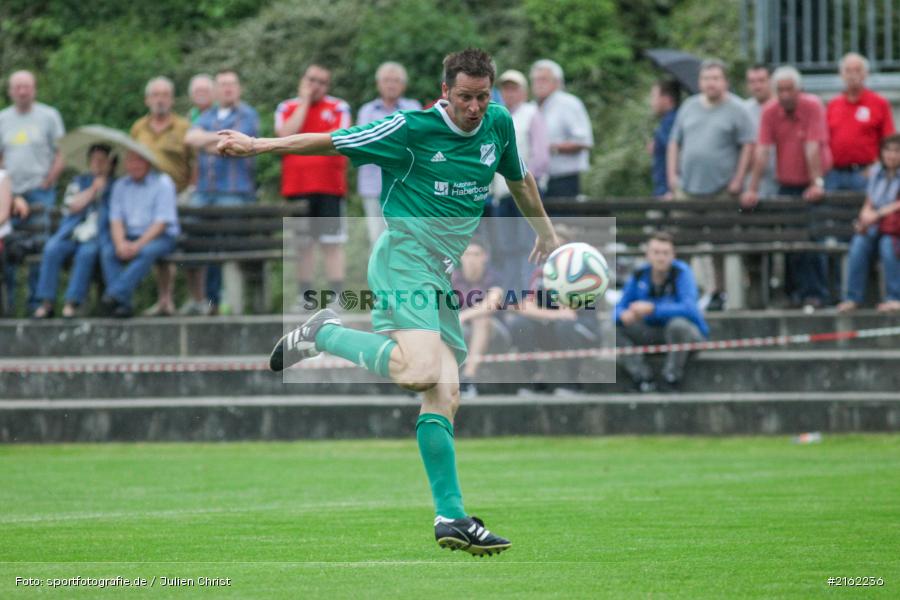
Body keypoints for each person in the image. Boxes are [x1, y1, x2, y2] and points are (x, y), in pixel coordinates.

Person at [218, 48, 559, 557]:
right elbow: (332, 141)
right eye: (464, 97)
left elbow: (520, 178)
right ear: (445, 92)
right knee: (422, 372)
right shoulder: (410, 128)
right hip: (404, 257)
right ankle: (323, 333)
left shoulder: (498, 123)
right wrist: (257, 145)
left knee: (445, 392)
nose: (473, 107)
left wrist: (547, 235)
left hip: (438, 273)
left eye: (482, 97)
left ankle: (451, 517)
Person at [667, 59, 755, 310]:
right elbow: (675, 141)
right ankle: (679, 291)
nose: (711, 83)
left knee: (720, 245)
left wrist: (739, 178)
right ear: (700, 82)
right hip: (687, 188)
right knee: (681, 244)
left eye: (716, 78)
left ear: (725, 81)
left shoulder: (738, 109)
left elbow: (749, 145)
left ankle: (721, 293)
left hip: (721, 190)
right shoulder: (689, 106)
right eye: (706, 79)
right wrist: (672, 176)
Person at [742, 66, 833, 309]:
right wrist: (752, 188)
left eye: (789, 89)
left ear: (799, 90)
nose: (784, 95)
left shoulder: (812, 105)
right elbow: (762, 151)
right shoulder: (770, 111)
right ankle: (795, 294)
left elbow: (812, 146)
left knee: (813, 239)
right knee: (790, 241)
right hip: (788, 184)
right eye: (780, 90)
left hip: (815, 181)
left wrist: (816, 183)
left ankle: (817, 293)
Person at [275, 64, 352, 308]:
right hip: (297, 188)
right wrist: (304, 103)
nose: (315, 85)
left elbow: (339, 138)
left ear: (327, 86)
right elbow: (285, 136)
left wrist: (304, 145)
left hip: (330, 187)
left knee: (332, 243)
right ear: (302, 80)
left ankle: (337, 296)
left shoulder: (338, 107)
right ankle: (305, 297)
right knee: (303, 245)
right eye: (311, 80)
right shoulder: (286, 107)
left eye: (321, 81)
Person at [184, 70, 259, 315]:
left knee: (222, 243)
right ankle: (205, 301)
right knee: (190, 236)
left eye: (232, 85)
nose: (228, 89)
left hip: (235, 193)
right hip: (205, 193)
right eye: (223, 85)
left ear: (239, 89)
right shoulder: (208, 115)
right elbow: (190, 139)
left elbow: (237, 146)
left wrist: (207, 142)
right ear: (216, 91)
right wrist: (217, 141)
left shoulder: (247, 115)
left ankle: (224, 301)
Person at [0, 70, 65, 313]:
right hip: (8, 195)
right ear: (10, 91)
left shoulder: (49, 116)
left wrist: (49, 180)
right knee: (8, 250)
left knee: (41, 248)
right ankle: (8, 308)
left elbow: (61, 152)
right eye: (17, 87)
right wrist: (7, 190)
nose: (22, 91)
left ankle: (36, 304)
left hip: (40, 191)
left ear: (34, 88)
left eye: (26, 86)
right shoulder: (3, 119)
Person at [130, 76, 194, 317]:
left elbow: (194, 161)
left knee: (180, 247)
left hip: (179, 194)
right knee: (158, 249)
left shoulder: (183, 127)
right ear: (147, 100)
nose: (160, 100)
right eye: (155, 95)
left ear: (172, 99)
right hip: (147, 197)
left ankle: (191, 299)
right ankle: (164, 299)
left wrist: (191, 189)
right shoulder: (138, 128)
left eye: (165, 95)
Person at [615, 232, 708, 392]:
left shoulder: (682, 273)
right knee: (614, 330)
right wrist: (623, 315)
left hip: (686, 336)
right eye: (656, 253)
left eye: (665, 253)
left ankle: (671, 378)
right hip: (653, 334)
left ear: (673, 255)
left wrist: (653, 309)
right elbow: (618, 308)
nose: (661, 258)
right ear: (648, 255)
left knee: (678, 326)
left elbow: (690, 309)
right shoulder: (639, 275)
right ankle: (643, 378)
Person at [33, 144, 115, 318]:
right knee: (52, 248)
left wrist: (104, 187)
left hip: (97, 237)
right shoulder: (79, 181)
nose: (98, 163)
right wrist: (93, 189)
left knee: (86, 254)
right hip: (71, 233)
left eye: (102, 160)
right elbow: (72, 206)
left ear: (109, 163)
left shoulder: (115, 186)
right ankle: (47, 302)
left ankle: (72, 303)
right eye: (94, 160)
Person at [488, 68, 550, 293]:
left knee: (528, 246)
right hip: (502, 194)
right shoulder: (496, 115)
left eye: (514, 88)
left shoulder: (531, 113)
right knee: (506, 248)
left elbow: (541, 158)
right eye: (505, 88)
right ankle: (511, 295)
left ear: (523, 91)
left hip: (525, 193)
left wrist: (523, 183)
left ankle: (527, 294)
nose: (509, 93)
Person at [100, 151, 179, 318]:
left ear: (148, 163)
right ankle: (122, 305)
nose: (135, 165)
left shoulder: (163, 183)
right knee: (109, 251)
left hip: (160, 237)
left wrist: (137, 245)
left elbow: (161, 223)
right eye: (131, 161)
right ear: (126, 164)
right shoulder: (120, 186)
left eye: (140, 161)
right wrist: (120, 243)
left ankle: (114, 295)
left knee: (146, 251)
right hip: (130, 236)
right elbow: (116, 220)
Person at [357, 62, 422, 245]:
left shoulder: (413, 107)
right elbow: (365, 145)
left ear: (403, 85)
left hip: (405, 186)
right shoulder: (367, 111)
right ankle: (377, 275)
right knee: (377, 241)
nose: (391, 84)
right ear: (378, 84)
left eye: (396, 80)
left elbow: (416, 144)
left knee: (405, 240)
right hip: (373, 186)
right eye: (386, 80)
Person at [837, 134, 900, 313]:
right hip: (877, 225)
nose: (892, 155)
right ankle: (852, 298)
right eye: (888, 150)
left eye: (897, 151)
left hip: (895, 229)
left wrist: (878, 214)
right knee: (859, 243)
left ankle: (895, 298)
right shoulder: (876, 172)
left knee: (888, 246)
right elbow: (869, 202)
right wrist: (863, 219)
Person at [826, 53, 895, 192]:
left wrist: (878, 167)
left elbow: (889, 140)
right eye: (848, 70)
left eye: (857, 70)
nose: (853, 75)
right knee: (832, 212)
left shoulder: (879, 103)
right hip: (835, 173)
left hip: (866, 172)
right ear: (841, 75)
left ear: (866, 74)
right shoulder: (833, 105)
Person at [529, 59, 593, 198]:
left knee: (563, 219)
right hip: (537, 181)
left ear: (557, 82)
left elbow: (583, 141)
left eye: (544, 79)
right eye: (535, 80)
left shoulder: (568, 103)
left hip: (564, 179)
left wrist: (549, 148)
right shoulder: (531, 107)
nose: (538, 84)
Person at [451, 237, 505, 398]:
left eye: (476, 254)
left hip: (496, 331)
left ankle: (468, 379)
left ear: (485, 257)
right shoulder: (453, 278)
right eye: (467, 254)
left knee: (481, 319)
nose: (471, 259)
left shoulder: (494, 276)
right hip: (461, 329)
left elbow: (492, 304)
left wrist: (463, 316)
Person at [742, 64, 778, 199]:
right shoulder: (742, 110)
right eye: (752, 81)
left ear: (771, 81)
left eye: (761, 80)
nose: (757, 86)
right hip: (751, 181)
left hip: (779, 179)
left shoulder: (783, 107)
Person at [648, 79, 679, 199]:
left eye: (653, 96)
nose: (652, 102)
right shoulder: (667, 121)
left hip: (667, 192)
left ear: (666, 98)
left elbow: (677, 154)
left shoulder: (672, 122)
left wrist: (672, 189)